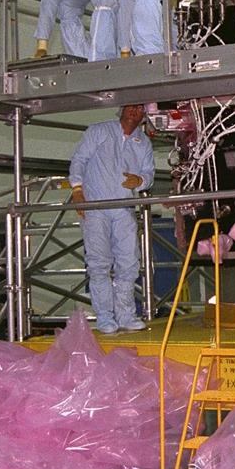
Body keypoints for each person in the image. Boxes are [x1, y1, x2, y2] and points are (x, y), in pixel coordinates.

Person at [69, 104, 156, 334]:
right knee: (99, 264)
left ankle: (126, 315)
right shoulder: (99, 131)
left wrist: (140, 181)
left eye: (140, 109)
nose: (134, 112)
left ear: (145, 115)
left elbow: (149, 174)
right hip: (96, 207)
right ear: (122, 109)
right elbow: (79, 159)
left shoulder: (144, 143)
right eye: (131, 107)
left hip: (124, 208)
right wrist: (77, 189)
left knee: (128, 263)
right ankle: (105, 318)